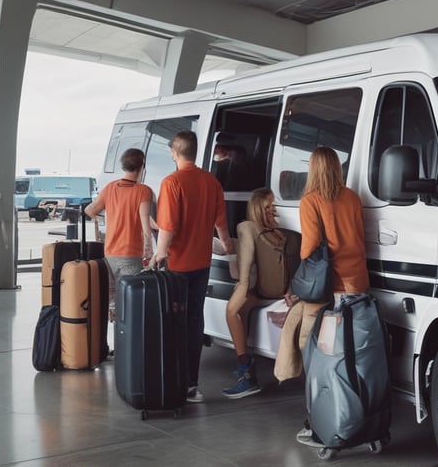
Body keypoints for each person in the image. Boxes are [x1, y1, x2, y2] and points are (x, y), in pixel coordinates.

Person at [149, 130, 233, 403]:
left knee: (174, 322)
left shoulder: (172, 182)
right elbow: (221, 221)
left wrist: (159, 254)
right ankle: (191, 385)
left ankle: (172, 382)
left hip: (178, 265)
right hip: (202, 263)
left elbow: (168, 226)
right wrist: (227, 244)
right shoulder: (211, 181)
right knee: (195, 321)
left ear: (174, 152)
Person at [293, 146, 370, 446]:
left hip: (328, 290)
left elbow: (308, 249)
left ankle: (322, 423)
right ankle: (357, 416)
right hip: (358, 284)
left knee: (316, 355)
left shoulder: (310, 201)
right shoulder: (352, 197)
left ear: (313, 169)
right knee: (353, 356)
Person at [222, 187, 290, 399]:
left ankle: (246, 373)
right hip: (279, 290)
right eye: (272, 205)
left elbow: (247, 264)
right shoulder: (279, 232)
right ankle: (248, 367)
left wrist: (241, 288)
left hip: (262, 289)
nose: (273, 208)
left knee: (232, 312)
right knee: (244, 311)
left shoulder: (246, 227)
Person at [84, 148, 154, 323]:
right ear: (142, 167)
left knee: (114, 303)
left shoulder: (110, 188)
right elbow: (145, 223)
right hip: (130, 254)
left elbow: (89, 211)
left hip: (110, 253)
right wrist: (149, 250)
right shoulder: (143, 191)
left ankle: (119, 344)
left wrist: (112, 215)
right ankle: (129, 345)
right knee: (131, 302)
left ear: (123, 166)